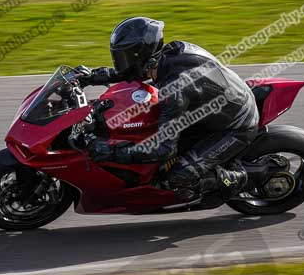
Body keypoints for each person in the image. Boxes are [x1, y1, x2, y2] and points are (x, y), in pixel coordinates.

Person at [75, 16, 260, 202]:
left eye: (124, 57)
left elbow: (163, 149)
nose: (120, 62)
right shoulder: (166, 56)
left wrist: (109, 151)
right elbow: (130, 71)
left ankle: (238, 179)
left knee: (177, 178)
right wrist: (91, 76)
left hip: (236, 125)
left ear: (141, 56)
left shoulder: (174, 91)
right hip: (215, 109)